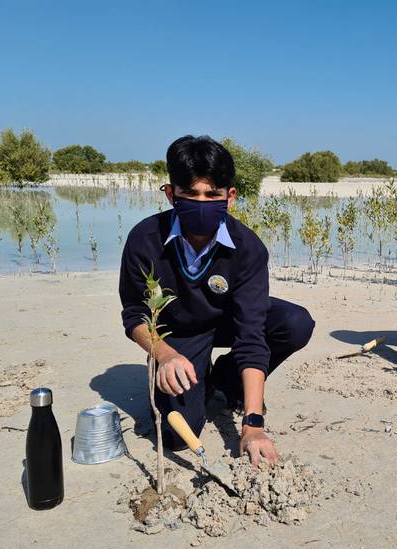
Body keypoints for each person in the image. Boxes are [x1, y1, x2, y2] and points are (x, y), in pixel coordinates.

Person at [119, 135, 314, 466]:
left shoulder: (248, 247)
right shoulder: (144, 239)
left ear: (230, 197)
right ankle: (188, 374)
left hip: (227, 321)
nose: (201, 202)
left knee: (295, 323)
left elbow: (251, 334)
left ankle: (226, 378)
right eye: (190, 194)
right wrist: (164, 355)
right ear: (170, 194)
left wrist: (252, 426)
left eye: (212, 195)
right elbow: (135, 315)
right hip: (177, 335)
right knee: (179, 437)